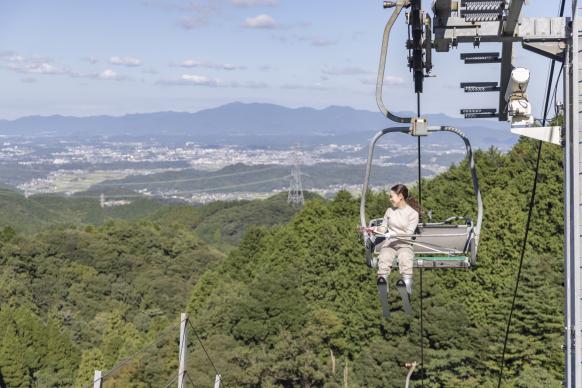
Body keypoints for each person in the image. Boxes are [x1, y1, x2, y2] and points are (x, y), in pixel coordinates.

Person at [374, 184, 420, 295]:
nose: (390, 199)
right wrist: (375, 229)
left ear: (400, 196)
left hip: (404, 243)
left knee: (405, 256)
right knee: (384, 257)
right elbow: (383, 228)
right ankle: (383, 283)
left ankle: (406, 284)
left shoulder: (413, 214)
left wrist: (395, 234)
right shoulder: (389, 211)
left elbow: (409, 234)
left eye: (391, 196)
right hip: (390, 243)